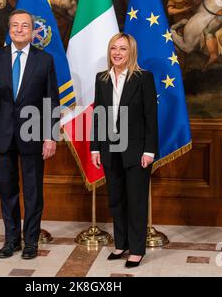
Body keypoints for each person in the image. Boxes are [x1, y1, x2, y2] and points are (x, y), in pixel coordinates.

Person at [0, 9, 60, 260]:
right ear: (9, 30)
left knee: (33, 192)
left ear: (33, 32)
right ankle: (12, 240)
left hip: (33, 134)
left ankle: (31, 241)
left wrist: (51, 135)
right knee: (7, 190)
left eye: (24, 26)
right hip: (2, 135)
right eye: (15, 26)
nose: (19, 29)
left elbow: (52, 101)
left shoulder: (45, 60)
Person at [90, 33, 158, 268]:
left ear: (131, 53)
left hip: (137, 150)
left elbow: (151, 117)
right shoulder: (102, 79)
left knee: (136, 200)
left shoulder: (143, 78)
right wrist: (95, 148)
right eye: (113, 49)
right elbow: (98, 115)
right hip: (109, 149)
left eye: (123, 49)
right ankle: (121, 244)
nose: (117, 53)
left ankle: (137, 249)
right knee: (116, 199)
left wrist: (149, 150)